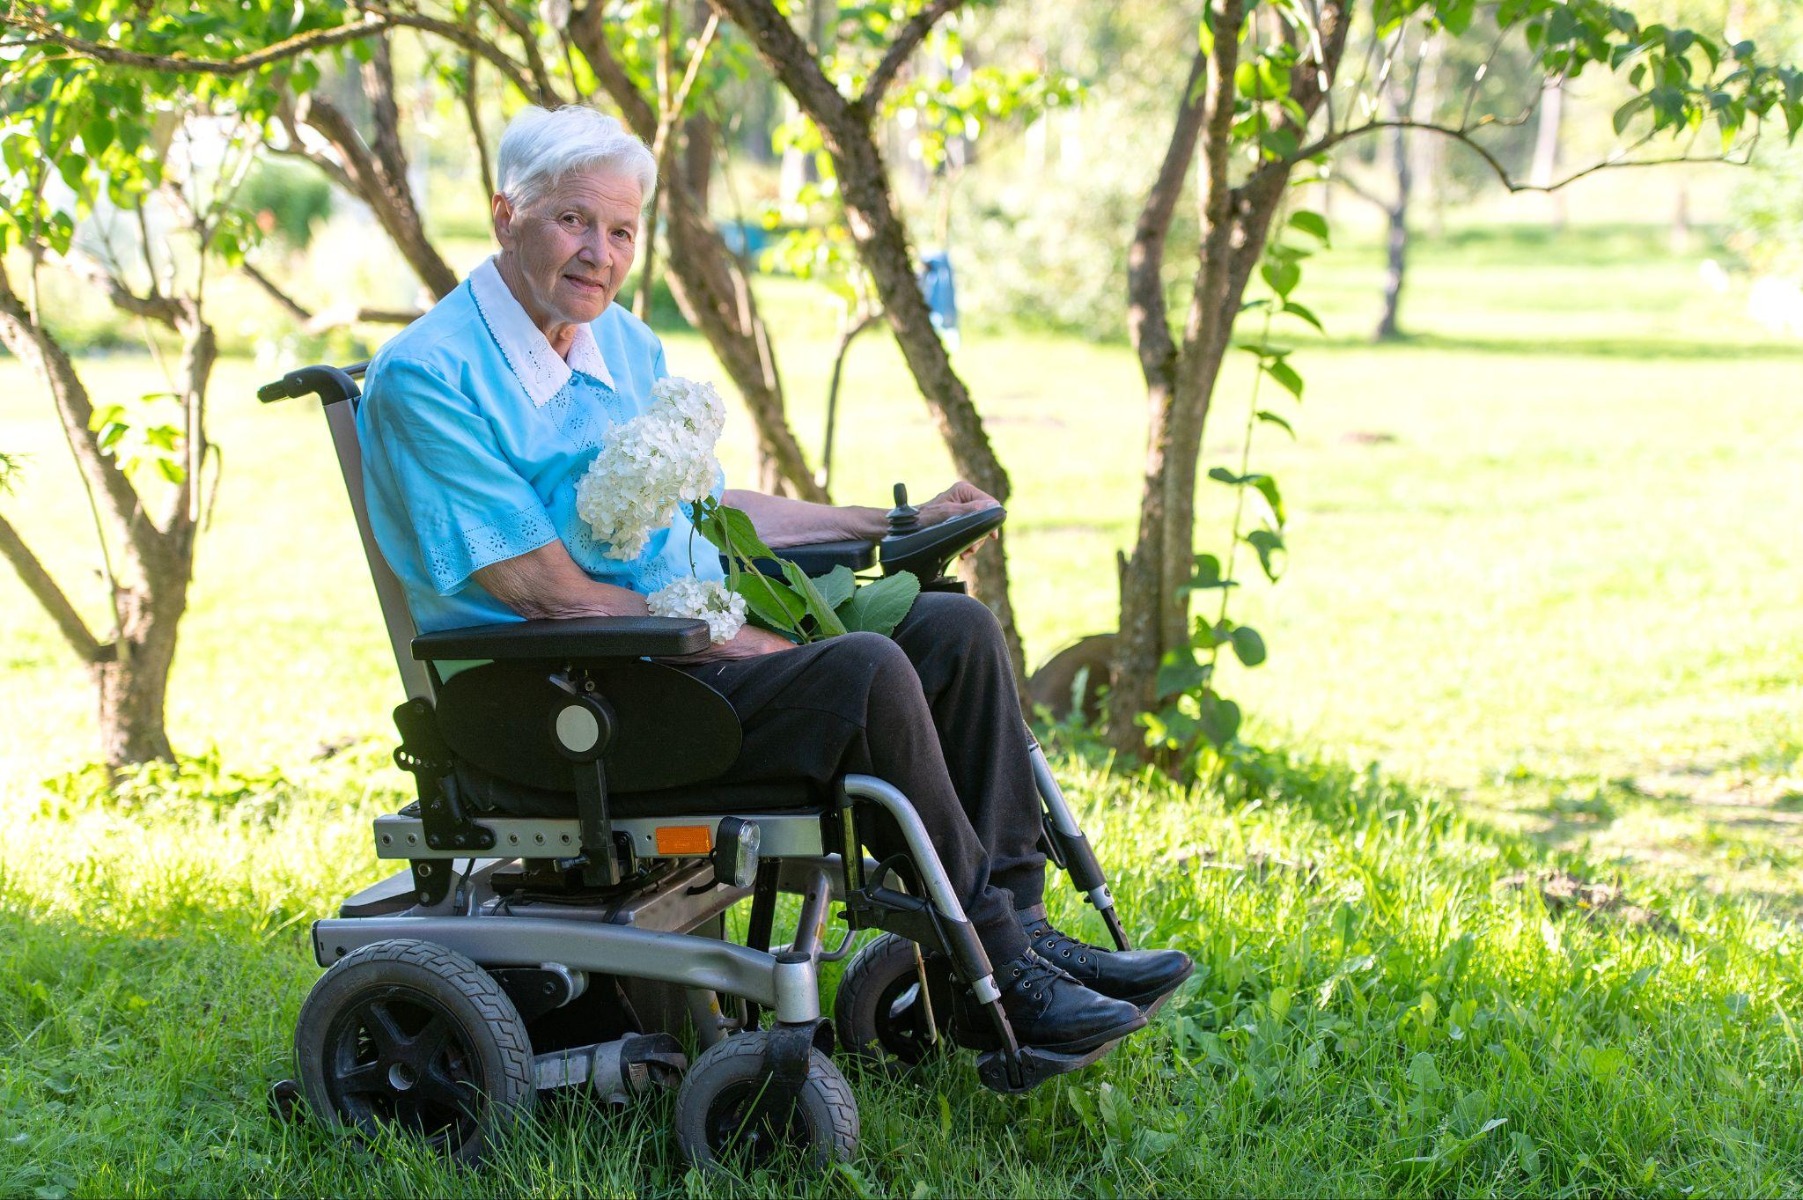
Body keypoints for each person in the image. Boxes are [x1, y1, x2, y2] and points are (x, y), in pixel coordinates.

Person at [357, 105, 1191, 1056]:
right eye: (572, 222)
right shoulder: (429, 376)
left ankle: (1022, 940)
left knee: (953, 633)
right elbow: (546, 594)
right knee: (863, 672)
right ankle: (999, 969)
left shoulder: (622, 344)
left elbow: (713, 510)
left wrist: (894, 524)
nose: (599, 253)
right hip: (559, 699)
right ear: (507, 214)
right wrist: (735, 637)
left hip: (670, 662)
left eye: (621, 230)